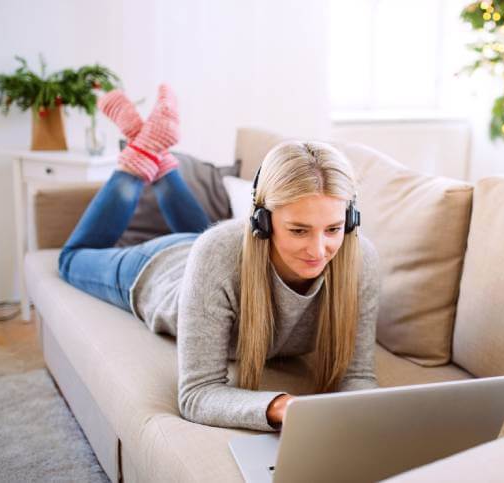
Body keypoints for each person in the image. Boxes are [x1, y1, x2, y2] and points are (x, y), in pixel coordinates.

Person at [58, 85, 380, 431]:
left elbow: (358, 375)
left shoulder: (359, 259)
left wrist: (368, 420)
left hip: (209, 254)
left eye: (332, 229)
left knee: (210, 243)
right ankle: (139, 154)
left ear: (350, 222)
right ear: (263, 222)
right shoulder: (217, 254)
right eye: (299, 231)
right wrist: (277, 407)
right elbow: (198, 393)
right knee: (70, 259)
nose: (319, 251)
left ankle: (151, 145)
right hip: (159, 270)